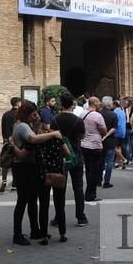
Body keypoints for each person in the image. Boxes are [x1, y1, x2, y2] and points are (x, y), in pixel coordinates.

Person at [10, 101, 62, 245]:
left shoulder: (26, 125)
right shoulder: (22, 126)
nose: (36, 116)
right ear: (27, 113)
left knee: (32, 199)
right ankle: (17, 234)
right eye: (34, 114)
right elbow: (32, 139)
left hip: (29, 166)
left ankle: (35, 230)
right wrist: (53, 135)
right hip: (22, 167)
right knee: (23, 200)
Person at [52, 92, 88, 227]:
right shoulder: (78, 120)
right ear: (72, 104)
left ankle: (58, 216)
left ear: (61, 103)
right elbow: (82, 136)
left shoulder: (55, 119)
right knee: (78, 188)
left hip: (60, 157)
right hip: (76, 156)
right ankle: (81, 217)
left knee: (59, 188)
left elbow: (52, 135)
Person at [34, 119, 70, 244]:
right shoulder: (57, 139)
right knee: (59, 204)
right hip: (58, 173)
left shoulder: (37, 141)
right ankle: (62, 234)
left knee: (43, 205)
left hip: (43, 175)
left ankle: (44, 236)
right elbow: (67, 153)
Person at [80, 97, 107, 204]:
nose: (100, 104)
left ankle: (88, 193)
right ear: (95, 103)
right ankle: (91, 194)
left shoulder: (82, 114)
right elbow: (104, 131)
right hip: (95, 145)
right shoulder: (97, 116)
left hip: (84, 144)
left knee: (88, 169)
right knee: (95, 171)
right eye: (99, 102)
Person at [0, 97, 20, 193]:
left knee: (5, 161)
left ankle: (4, 180)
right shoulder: (19, 115)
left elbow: (3, 128)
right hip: (17, 141)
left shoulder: (5, 115)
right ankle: (14, 185)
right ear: (18, 103)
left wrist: (5, 139)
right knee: (15, 163)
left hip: (6, 140)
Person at [100, 96, 119, 189]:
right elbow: (114, 128)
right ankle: (106, 181)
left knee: (100, 160)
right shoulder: (113, 115)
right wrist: (106, 135)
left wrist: (102, 135)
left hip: (99, 140)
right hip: (110, 141)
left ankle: (99, 179)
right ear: (109, 104)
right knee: (110, 161)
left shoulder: (98, 113)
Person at [113, 100, 128, 167]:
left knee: (114, 147)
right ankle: (117, 162)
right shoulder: (122, 112)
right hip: (123, 131)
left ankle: (124, 159)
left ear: (114, 105)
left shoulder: (115, 112)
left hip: (117, 131)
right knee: (118, 147)